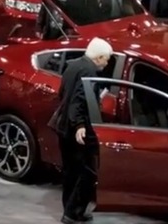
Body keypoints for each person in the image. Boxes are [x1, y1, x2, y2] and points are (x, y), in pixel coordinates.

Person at [48, 38, 113, 224]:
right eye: (106, 59)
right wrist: (80, 126)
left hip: (62, 125)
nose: (107, 63)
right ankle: (71, 213)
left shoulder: (73, 65)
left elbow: (63, 93)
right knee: (87, 172)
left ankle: (71, 209)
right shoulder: (89, 71)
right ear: (99, 57)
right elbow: (78, 101)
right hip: (76, 129)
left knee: (70, 171)